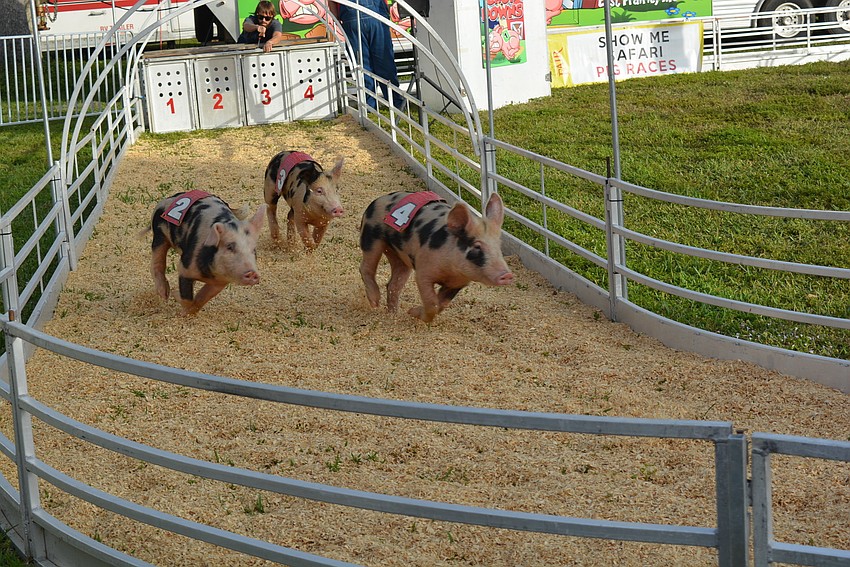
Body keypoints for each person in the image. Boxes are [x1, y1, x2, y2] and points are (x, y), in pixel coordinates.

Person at [331, 0, 404, 110]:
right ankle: (395, 102)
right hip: (376, 16)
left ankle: (369, 105)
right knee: (384, 62)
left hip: (351, 18)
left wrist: (336, 18)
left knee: (362, 65)